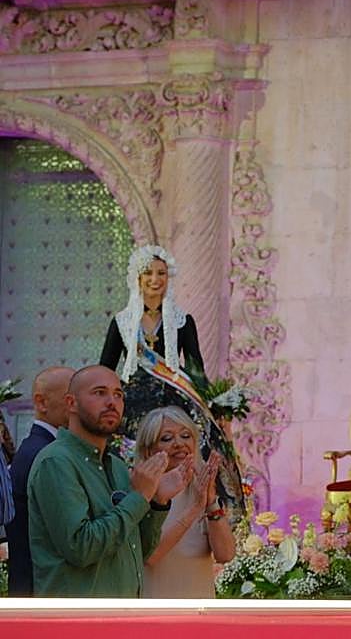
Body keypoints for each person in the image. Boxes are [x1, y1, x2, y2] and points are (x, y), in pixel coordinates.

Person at [98, 244, 243, 520]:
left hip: (175, 395)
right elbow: (105, 367)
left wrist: (214, 403)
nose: (155, 279)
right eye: (148, 273)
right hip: (135, 403)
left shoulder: (182, 321)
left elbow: (195, 367)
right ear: (137, 278)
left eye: (161, 273)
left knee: (201, 441)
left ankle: (203, 510)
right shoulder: (122, 322)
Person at [26, 365, 191, 596]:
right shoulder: (55, 462)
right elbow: (81, 548)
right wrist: (139, 497)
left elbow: (137, 550)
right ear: (71, 403)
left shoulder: (118, 467)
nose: (112, 402)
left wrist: (157, 502)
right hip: (78, 623)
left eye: (118, 394)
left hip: (122, 618)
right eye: (99, 392)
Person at [136, 405, 236, 597]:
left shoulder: (201, 489)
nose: (179, 444)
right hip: (155, 609)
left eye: (185, 436)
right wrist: (194, 509)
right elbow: (151, 556)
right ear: (148, 451)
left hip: (199, 611)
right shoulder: (140, 492)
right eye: (167, 438)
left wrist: (211, 501)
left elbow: (225, 555)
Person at [6, 365, 73, 596]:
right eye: (69, 398)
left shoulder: (42, 448)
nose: (79, 406)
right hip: (40, 591)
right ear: (42, 402)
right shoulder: (44, 455)